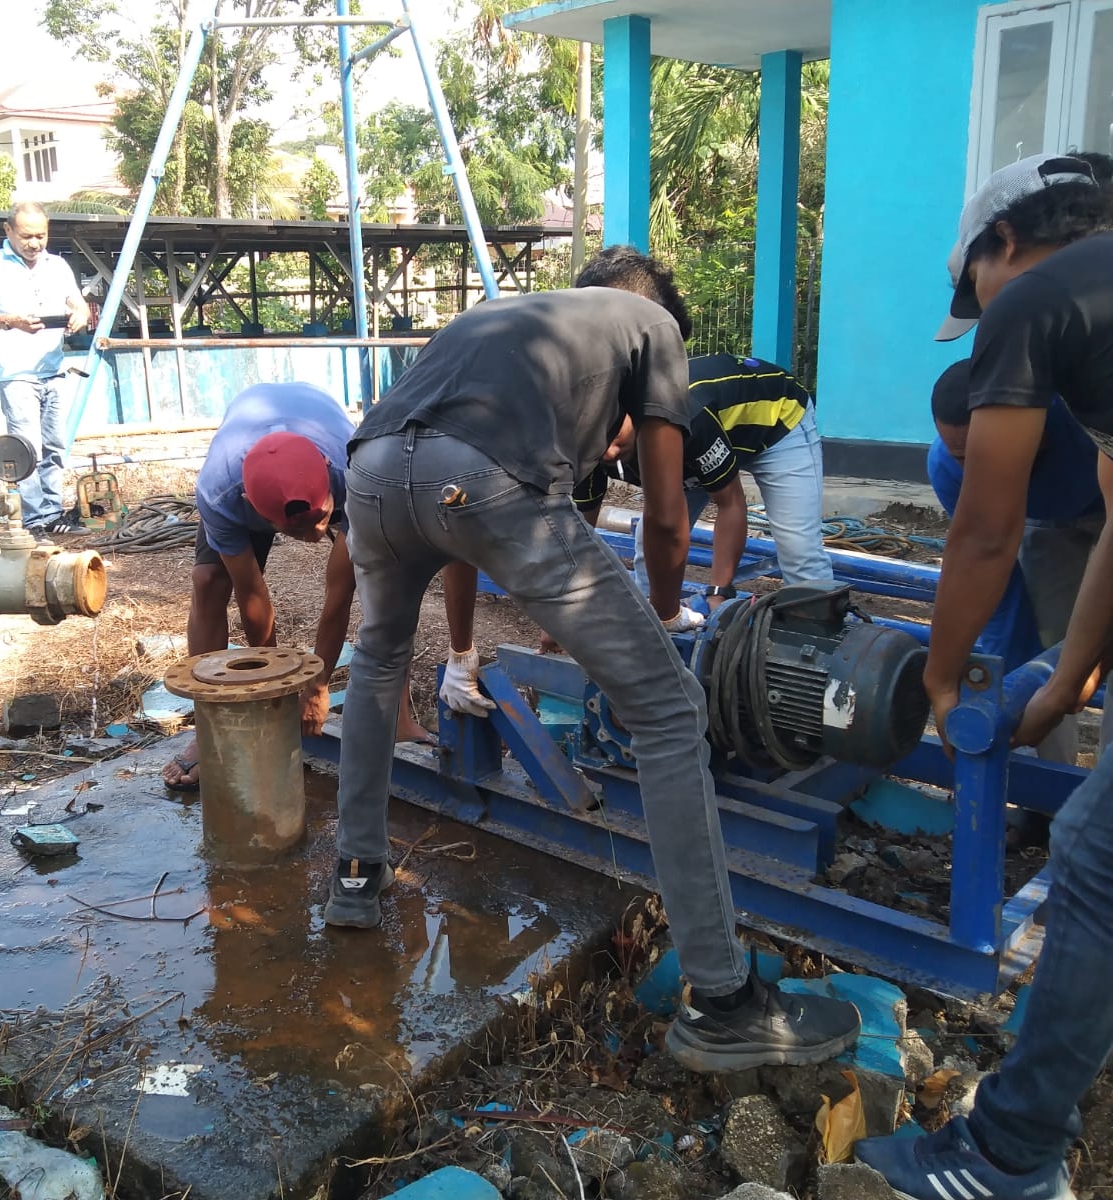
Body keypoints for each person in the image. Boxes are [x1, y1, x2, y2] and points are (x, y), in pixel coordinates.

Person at [325, 245, 862, 1073]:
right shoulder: (654, 327)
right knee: (672, 711)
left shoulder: (511, 320)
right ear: (659, 313)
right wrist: (663, 622)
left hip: (369, 467)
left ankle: (356, 877)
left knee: (378, 658)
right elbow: (668, 517)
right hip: (479, 477)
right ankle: (724, 1004)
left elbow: (451, 495)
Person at [855, 151, 1113, 1200]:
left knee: (1104, 852)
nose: (981, 312)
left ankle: (1007, 1156)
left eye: (974, 287)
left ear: (1003, 244)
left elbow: (987, 534)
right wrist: (1074, 672)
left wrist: (943, 683)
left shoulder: (1037, 299)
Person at [160, 382, 465, 791]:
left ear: (324, 468)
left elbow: (339, 596)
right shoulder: (221, 493)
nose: (315, 534)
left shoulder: (355, 469)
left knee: (384, 581)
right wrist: (273, 688)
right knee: (209, 580)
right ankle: (208, 728)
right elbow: (252, 592)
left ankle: (398, 719)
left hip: (338, 472)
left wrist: (317, 683)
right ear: (252, 506)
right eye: (296, 530)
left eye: (321, 519)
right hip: (246, 472)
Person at [927, 361, 1105, 765]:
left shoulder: (1088, 424)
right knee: (1045, 648)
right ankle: (1046, 782)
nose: (975, 471)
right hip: (1045, 522)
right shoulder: (948, 470)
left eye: (984, 454)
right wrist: (1006, 691)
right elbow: (996, 591)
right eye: (962, 457)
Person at [572, 352, 833, 604]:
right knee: (649, 538)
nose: (610, 452)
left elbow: (731, 503)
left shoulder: (683, 416)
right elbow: (581, 529)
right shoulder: (586, 450)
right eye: (598, 441)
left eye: (615, 436)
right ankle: (651, 617)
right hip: (699, 445)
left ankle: (816, 623)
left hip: (778, 423)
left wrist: (718, 593)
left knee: (798, 549)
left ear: (632, 412)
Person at [0, 201, 89, 536]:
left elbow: (78, 304)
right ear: (8, 231)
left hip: (54, 368)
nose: (35, 243)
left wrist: (80, 315)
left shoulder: (58, 266)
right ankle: (34, 518)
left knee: (56, 445)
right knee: (26, 448)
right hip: (17, 373)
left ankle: (52, 513)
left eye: (41, 236)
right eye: (27, 236)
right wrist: (11, 321)